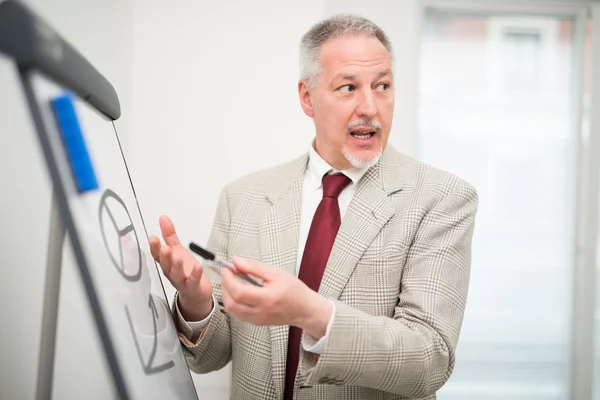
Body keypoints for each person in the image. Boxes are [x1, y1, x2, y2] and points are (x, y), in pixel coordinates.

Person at [149, 14, 478, 400]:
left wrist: (311, 312)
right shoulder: (242, 198)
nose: (370, 107)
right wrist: (195, 301)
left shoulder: (443, 198)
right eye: (348, 87)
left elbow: (430, 360)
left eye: (383, 86)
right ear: (308, 97)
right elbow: (210, 357)